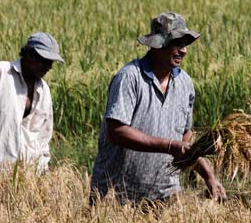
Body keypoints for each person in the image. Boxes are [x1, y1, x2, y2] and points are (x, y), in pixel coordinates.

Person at [90, 12, 226, 204]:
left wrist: (209, 175)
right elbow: (116, 132)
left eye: (185, 44)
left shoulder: (185, 84)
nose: (184, 51)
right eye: (177, 44)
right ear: (158, 45)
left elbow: (185, 138)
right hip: (117, 196)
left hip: (165, 195)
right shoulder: (130, 77)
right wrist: (169, 146)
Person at [0, 32, 64, 172]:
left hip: (27, 174)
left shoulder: (44, 91)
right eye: (44, 60)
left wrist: (42, 171)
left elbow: (43, 137)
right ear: (29, 55)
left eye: (51, 62)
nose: (48, 67)